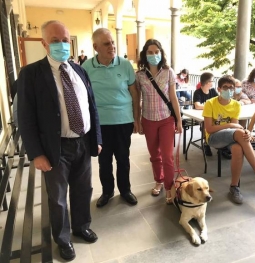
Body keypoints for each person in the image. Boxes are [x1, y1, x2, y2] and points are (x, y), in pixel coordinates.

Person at [17, 20, 102, 261]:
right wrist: (36, 153)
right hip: (54, 148)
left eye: (65, 40)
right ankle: (63, 239)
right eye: (55, 41)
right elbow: (25, 118)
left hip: (83, 142)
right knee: (57, 198)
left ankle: (81, 226)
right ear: (44, 44)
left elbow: (91, 107)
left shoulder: (79, 70)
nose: (62, 44)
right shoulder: (31, 74)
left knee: (83, 189)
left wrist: (95, 137)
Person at [82, 28, 139, 208]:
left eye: (112, 42)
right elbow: (82, 96)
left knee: (123, 157)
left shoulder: (125, 65)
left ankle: (125, 189)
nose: (112, 46)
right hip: (99, 123)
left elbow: (134, 92)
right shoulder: (86, 68)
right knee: (104, 160)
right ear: (95, 46)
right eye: (107, 44)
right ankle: (107, 191)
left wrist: (137, 118)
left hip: (123, 120)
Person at [203, 75, 255, 204]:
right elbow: (209, 129)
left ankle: (234, 187)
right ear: (219, 89)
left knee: (238, 148)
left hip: (230, 136)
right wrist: (232, 125)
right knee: (240, 133)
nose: (228, 90)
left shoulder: (235, 105)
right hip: (214, 138)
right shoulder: (210, 103)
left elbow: (235, 130)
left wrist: (244, 131)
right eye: (225, 87)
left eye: (231, 88)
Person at [135, 39, 182, 204]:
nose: (154, 55)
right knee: (155, 155)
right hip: (148, 119)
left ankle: (169, 186)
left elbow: (174, 97)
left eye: (156, 52)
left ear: (161, 54)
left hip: (166, 119)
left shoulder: (169, 72)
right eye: (150, 52)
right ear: (145, 55)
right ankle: (159, 181)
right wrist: (138, 120)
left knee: (167, 156)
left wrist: (179, 120)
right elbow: (138, 99)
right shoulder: (139, 75)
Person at [192, 72, 217, 156]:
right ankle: (206, 143)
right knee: (205, 123)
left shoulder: (213, 91)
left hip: (213, 115)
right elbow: (197, 106)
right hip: (200, 116)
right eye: (212, 81)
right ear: (207, 82)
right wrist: (210, 107)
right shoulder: (197, 92)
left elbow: (219, 102)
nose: (213, 83)